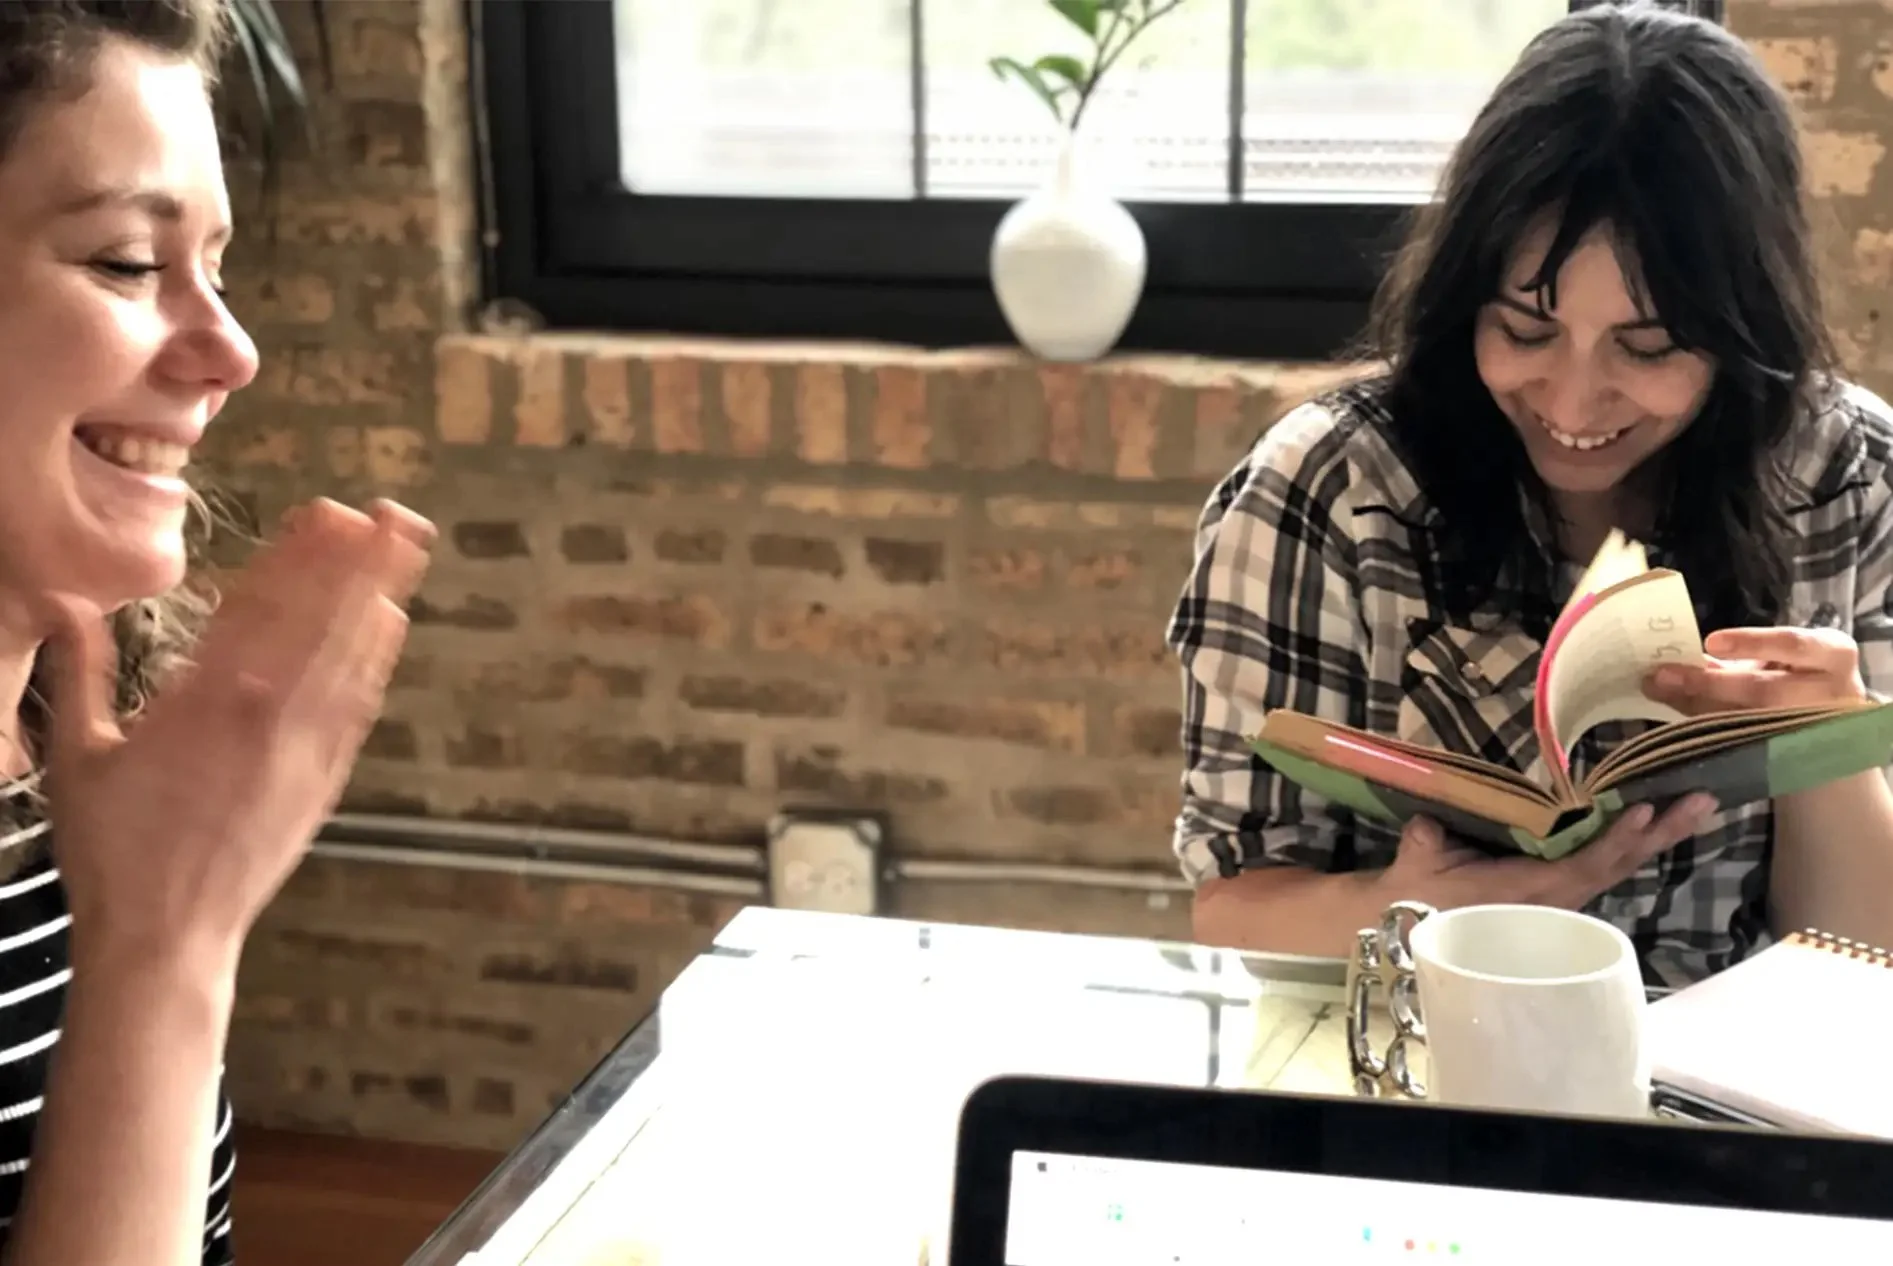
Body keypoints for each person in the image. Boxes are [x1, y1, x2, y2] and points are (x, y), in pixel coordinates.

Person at [1166, 2, 1893, 987]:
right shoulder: (1326, 490)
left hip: (1732, 1095)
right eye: (1526, 329)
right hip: (1426, 1068)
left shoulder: (1847, 474)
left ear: (1742, 330)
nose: (1574, 399)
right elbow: (1230, 912)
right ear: (1465, 296)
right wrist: (1407, 912)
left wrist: (1831, 747)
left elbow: (1864, 960)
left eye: (1647, 348)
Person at [0, 2, 435, 1263]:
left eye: (220, 268)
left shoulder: (75, 760)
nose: (230, 349)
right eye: (130, 265)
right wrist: (166, 952)